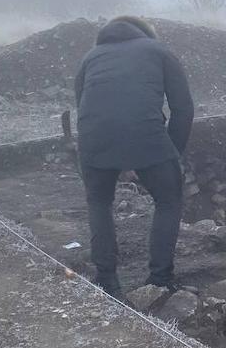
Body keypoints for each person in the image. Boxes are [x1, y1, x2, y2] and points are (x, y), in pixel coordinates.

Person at [74, 16, 194, 297]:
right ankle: (160, 281)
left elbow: (82, 105)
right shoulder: (160, 51)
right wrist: (171, 153)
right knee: (168, 199)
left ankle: (106, 280)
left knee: (99, 202)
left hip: (94, 138)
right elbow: (183, 109)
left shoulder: (90, 56)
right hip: (146, 134)